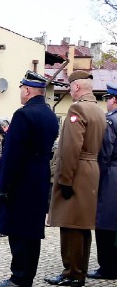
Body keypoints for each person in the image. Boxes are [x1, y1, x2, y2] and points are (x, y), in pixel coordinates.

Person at [0, 71, 59, 287]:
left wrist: (5, 185)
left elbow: (12, 154)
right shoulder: (49, 114)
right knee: (32, 230)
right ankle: (27, 275)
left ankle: (19, 278)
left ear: (27, 90)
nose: (20, 92)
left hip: (21, 179)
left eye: (22, 88)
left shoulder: (23, 115)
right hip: (39, 176)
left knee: (19, 229)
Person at [45, 70, 105, 287]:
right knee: (80, 226)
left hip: (76, 171)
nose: (70, 91)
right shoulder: (98, 110)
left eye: (70, 87)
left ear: (76, 87)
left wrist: (65, 179)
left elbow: (71, 148)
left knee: (71, 226)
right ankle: (74, 271)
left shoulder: (77, 108)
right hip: (91, 170)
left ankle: (73, 273)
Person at [88, 82, 117, 280]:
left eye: (108, 99)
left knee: (105, 223)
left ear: (114, 100)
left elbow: (105, 152)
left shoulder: (110, 122)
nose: (106, 102)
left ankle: (107, 268)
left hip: (111, 176)